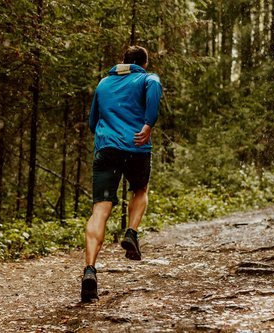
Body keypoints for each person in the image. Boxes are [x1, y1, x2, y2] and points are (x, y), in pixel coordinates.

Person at [81, 46, 162, 302]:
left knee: (100, 210)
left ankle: (90, 269)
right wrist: (148, 124)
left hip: (106, 149)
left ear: (123, 62)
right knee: (140, 190)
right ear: (143, 64)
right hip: (137, 147)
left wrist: (110, 131)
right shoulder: (148, 79)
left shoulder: (103, 83)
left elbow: (93, 122)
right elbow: (154, 90)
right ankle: (131, 232)